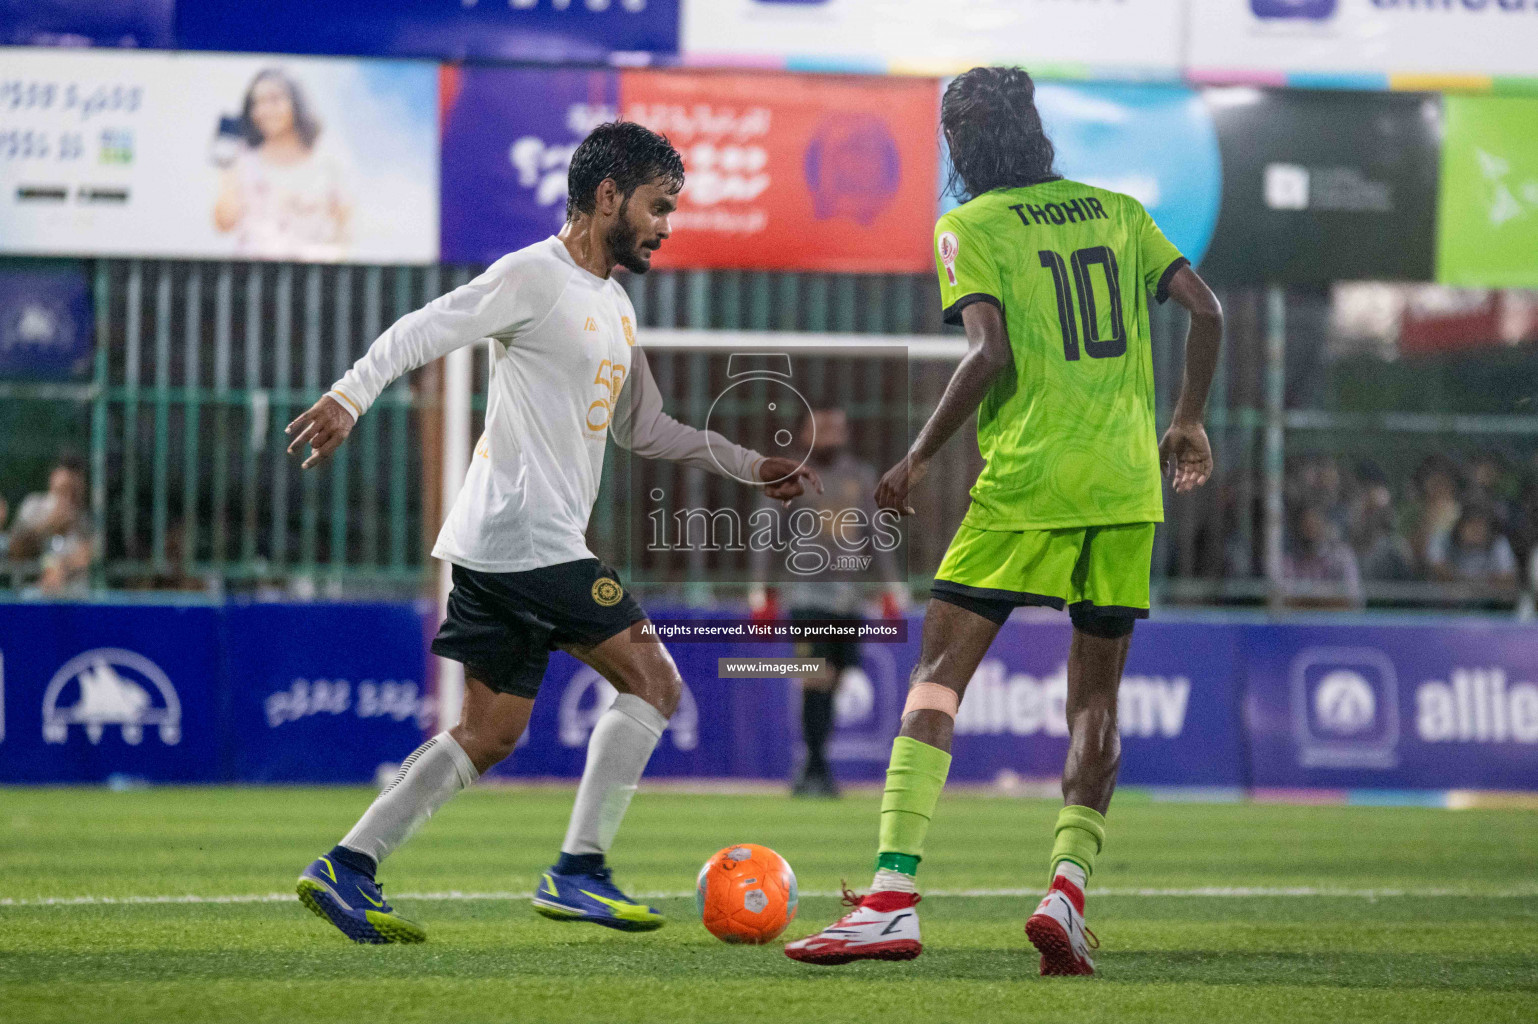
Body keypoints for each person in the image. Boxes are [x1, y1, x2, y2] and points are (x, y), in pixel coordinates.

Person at [283, 121, 817, 945]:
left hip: (501, 544)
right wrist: (350, 395)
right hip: (532, 539)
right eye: (657, 206)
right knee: (656, 682)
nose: (665, 226)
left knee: (489, 734)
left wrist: (750, 465)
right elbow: (426, 326)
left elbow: (646, 427)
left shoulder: (614, 303)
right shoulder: (533, 275)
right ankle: (579, 870)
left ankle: (347, 866)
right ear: (608, 198)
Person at [784, 66, 1222, 976]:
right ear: (1035, 129)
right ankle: (1067, 888)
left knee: (938, 677)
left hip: (1030, 479)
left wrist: (915, 459)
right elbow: (1207, 310)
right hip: (1127, 484)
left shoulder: (969, 226)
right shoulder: (1119, 210)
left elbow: (989, 353)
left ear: (957, 145)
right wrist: (1185, 419)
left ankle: (892, 900)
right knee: (1095, 698)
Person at [750, 408, 905, 798]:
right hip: (806, 596)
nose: (832, 435)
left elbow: (877, 532)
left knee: (834, 680)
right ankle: (815, 767)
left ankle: (816, 765)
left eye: (838, 427)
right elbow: (766, 534)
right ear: (806, 433)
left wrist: (891, 587)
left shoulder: (860, 476)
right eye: (824, 428)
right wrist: (761, 589)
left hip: (848, 599)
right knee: (814, 678)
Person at [213, 68, 351, 261]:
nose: (264, 110)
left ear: (296, 103)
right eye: (257, 103)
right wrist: (226, 166)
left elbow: (345, 227)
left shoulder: (327, 162)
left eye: (274, 99)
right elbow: (225, 223)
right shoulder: (244, 159)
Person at [7, 455, 94, 594]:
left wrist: (62, 569)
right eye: (63, 490)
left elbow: (89, 554)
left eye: (74, 492)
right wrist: (47, 527)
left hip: (74, 599)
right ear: (53, 480)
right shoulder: (33, 506)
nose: (67, 498)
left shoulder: (85, 518)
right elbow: (15, 551)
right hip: (31, 596)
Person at [1281, 504, 1364, 609]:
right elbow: (1282, 598)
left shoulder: (1342, 555)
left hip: (1336, 622)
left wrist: (1309, 600)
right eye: (1306, 526)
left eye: (1315, 524)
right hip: (1299, 622)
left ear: (1324, 526)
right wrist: (1325, 598)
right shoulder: (1290, 559)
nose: (1310, 530)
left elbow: (1353, 597)